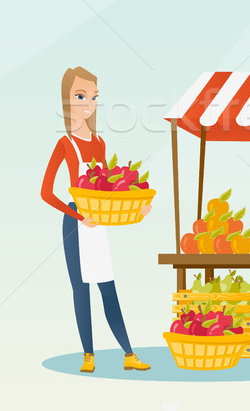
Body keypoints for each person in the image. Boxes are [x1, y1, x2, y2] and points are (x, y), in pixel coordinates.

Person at [41, 66, 151, 373]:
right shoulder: (66, 144)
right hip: (76, 223)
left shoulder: (100, 143)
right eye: (80, 95)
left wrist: (135, 210)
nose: (88, 102)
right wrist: (78, 216)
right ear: (67, 101)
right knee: (81, 289)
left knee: (108, 287)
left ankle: (129, 354)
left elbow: (108, 187)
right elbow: (46, 193)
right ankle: (88, 356)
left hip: (98, 223)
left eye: (93, 96)